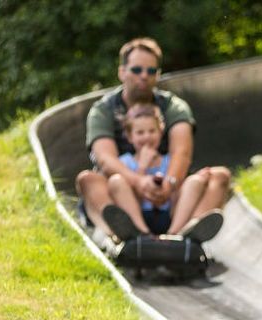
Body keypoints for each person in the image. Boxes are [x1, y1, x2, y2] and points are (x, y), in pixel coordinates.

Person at [75, 37, 230, 242]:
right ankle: (121, 234)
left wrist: (169, 184)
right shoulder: (103, 111)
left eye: (151, 71)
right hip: (126, 194)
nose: (144, 77)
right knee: (87, 180)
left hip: (169, 196)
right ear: (122, 72)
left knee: (220, 176)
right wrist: (139, 182)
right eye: (137, 70)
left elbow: (181, 152)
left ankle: (186, 234)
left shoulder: (173, 106)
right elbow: (105, 159)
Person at [106, 103, 222, 238]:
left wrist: (169, 187)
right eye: (140, 132)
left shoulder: (170, 161)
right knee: (116, 181)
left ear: (160, 132)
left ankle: (175, 234)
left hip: (168, 215)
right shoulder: (125, 162)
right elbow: (130, 196)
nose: (147, 137)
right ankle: (141, 232)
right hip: (140, 214)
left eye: (151, 131)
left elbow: (177, 193)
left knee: (195, 181)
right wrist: (142, 168)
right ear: (130, 136)